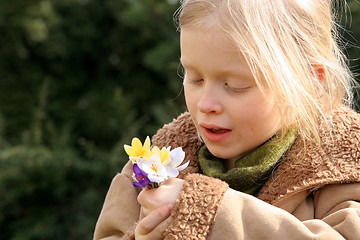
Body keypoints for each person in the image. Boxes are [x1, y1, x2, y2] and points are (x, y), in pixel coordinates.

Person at [94, 0, 360, 239]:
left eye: (236, 85)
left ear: (310, 80)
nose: (205, 104)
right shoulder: (155, 160)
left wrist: (209, 214)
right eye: (195, 78)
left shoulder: (345, 161)